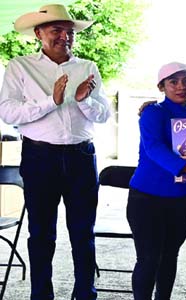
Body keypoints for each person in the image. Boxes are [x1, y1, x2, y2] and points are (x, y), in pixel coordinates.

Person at [0, 4, 111, 299]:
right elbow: (8, 112)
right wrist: (52, 101)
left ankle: (86, 292)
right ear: (38, 33)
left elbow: (103, 115)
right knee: (41, 234)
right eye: (56, 30)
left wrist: (83, 100)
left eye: (69, 31)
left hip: (81, 156)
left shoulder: (87, 68)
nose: (65, 36)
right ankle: (41, 295)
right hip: (39, 158)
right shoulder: (20, 66)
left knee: (83, 231)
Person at [127, 62, 186, 299]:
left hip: (181, 199)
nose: (181, 86)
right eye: (173, 82)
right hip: (146, 199)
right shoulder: (153, 113)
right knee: (149, 258)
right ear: (162, 86)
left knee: (170, 256)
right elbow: (154, 148)